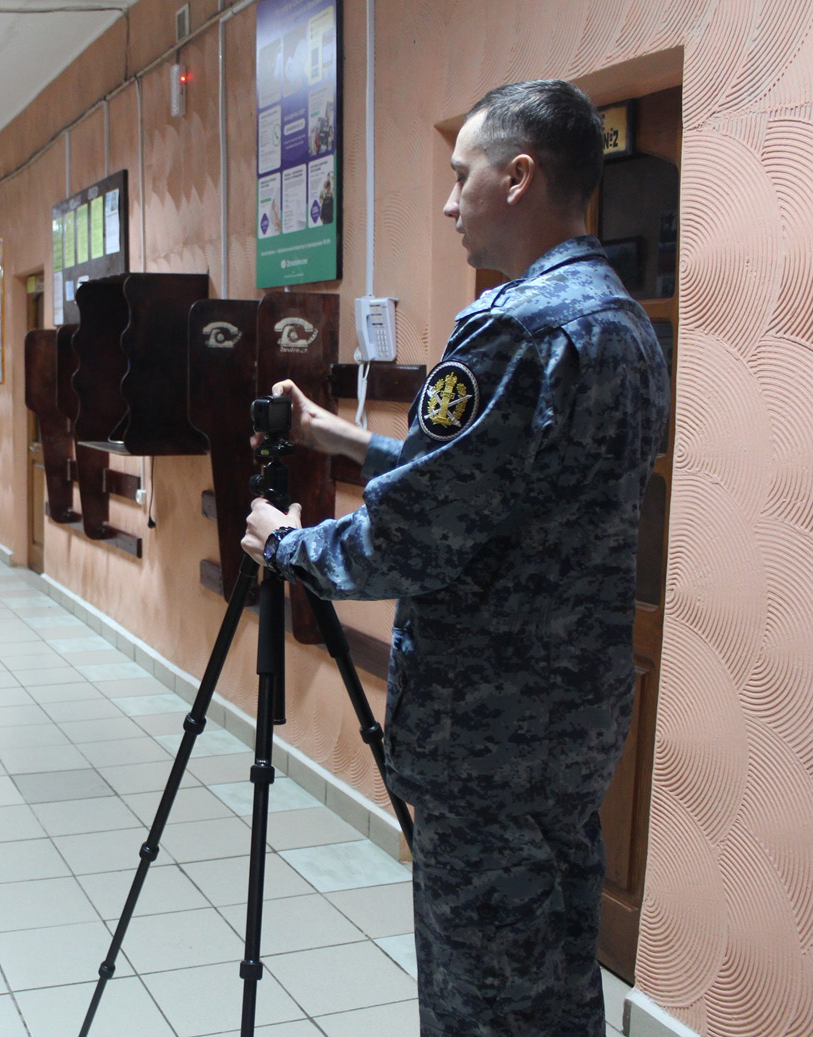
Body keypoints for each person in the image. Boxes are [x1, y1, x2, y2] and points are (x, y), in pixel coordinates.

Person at [242, 80, 668, 1036]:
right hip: (572, 720)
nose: (447, 203)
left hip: (484, 732)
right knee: (555, 969)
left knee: (478, 991)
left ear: (517, 178)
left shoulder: (508, 326)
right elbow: (505, 491)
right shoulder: (620, 324)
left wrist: (290, 544)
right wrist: (341, 439)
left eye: (459, 175)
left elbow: (416, 534)